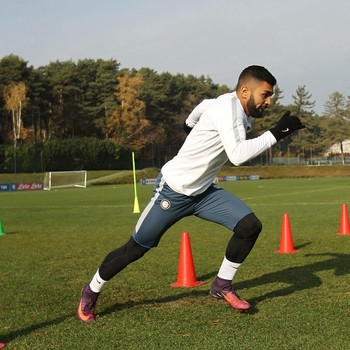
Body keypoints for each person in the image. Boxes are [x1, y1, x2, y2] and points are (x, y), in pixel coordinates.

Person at [77, 65, 305, 322]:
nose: (269, 101)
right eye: (265, 94)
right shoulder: (227, 110)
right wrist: (278, 132)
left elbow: (202, 106)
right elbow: (238, 156)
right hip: (173, 191)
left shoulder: (227, 105)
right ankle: (91, 290)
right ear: (244, 91)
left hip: (204, 192)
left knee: (249, 226)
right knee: (135, 249)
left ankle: (222, 285)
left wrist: (190, 125)